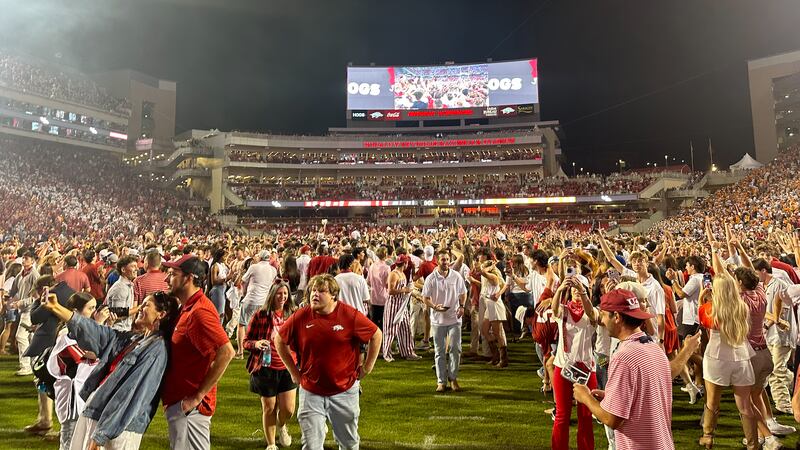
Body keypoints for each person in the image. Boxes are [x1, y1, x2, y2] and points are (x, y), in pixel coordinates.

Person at [42, 290, 179, 450]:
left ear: (161, 314)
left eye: (146, 305)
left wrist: (101, 435)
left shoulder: (156, 350)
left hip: (115, 430)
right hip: (95, 414)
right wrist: (56, 307)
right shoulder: (134, 339)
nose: (140, 308)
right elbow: (97, 333)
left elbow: (130, 395)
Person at [275, 274, 382, 450]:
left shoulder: (349, 314)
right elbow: (279, 340)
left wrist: (368, 367)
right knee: (311, 445)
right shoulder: (302, 315)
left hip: (344, 390)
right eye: (313, 290)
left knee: (348, 444)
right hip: (311, 390)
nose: (314, 295)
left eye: (321, 291)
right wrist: (293, 372)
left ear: (333, 295)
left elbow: (376, 335)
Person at [573, 288, 674, 450]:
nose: (603, 322)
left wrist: (585, 397)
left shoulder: (624, 357)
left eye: (605, 315)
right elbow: (646, 395)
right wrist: (611, 396)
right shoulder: (653, 347)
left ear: (617, 317)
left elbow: (611, 419)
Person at [161, 255, 235, 450]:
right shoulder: (188, 307)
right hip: (182, 403)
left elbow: (226, 352)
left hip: (191, 408)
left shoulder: (199, 312)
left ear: (189, 278)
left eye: (172, 274)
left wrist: (198, 396)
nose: (167, 279)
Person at [243, 280, 297, 450]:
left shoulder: (292, 314)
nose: (282, 297)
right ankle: (271, 444)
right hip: (265, 368)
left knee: (288, 409)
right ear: (272, 295)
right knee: (269, 408)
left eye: (285, 294)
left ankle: (282, 425)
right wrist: (256, 344)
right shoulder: (261, 314)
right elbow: (246, 341)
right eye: (279, 293)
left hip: (288, 367)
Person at [46, 292, 102, 450]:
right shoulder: (65, 334)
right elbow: (89, 355)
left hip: (86, 395)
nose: (93, 312)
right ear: (76, 312)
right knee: (70, 442)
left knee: (86, 441)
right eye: (90, 308)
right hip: (72, 397)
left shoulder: (86, 332)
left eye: (94, 308)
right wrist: (98, 325)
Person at [550, 270, 597, 450]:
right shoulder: (565, 310)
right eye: (575, 288)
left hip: (585, 369)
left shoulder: (591, 311)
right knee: (562, 415)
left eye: (581, 288)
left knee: (585, 415)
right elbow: (554, 309)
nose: (577, 291)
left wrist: (583, 292)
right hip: (563, 367)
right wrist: (560, 289)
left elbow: (592, 315)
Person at [421, 249, 467, 392]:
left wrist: (462, 306)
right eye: (443, 259)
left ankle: (453, 378)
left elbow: (463, 292)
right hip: (438, 320)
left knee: (455, 349)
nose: (446, 262)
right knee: (439, 351)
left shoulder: (456, 276)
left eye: (447, 259)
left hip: (454, 319)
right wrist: (435, 307)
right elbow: (425, 298)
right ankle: (441, 381)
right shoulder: (431, 278)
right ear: (438, 260)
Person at [238, 250, 278, 359]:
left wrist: (243, 293)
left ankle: (241, 352)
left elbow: (243, 281)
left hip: (251, 299)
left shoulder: (254, 267)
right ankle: (260, 349)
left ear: (260, 257)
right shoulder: (273, 270)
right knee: (261, 326)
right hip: (264, 301)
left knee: (242, 324)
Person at [382, 255, 421, 362]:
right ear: (404, 263)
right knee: (390, 330)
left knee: (406, 329)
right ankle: (387, 354)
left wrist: (415, 295)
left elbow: (405, 289)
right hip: (393, 306)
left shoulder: (401, 273)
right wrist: (404, 290)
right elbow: (390, 291)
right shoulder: (394, 274)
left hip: (402, 306)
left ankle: (408, 352)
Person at [105, 256, 139, 332]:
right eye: (133, 266)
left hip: (123, 330)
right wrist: (138, 308)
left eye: (136, 266)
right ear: (123, 269)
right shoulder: (120, 288)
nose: (137, 269)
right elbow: (117, 314)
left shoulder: (128, 285)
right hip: (117, 331)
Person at [365, 246, 389, 331]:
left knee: (374, 322)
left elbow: (368, 281)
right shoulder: (386, 268)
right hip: (383, 298)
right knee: (383, 322)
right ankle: (382, 342)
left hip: (373, 297)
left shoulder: (372, 266)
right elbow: (387, 284)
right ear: (385, 254)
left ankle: (374, 340)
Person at [207, 248, 229, 322]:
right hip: (217, 290)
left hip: (222, 290)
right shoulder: (215, 266)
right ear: (220, 256)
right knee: (219, 313)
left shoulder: (222, 265)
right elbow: (214, 281)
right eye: (224, 256)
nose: (226, 258)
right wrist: (226, 279)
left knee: (222, 313)